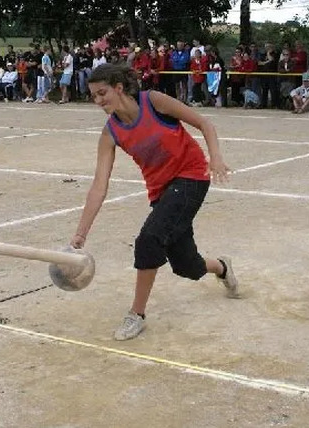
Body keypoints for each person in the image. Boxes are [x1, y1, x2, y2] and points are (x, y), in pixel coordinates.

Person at [70, 64, 239, 341]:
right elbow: (99, 186)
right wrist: (80, 234)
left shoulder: (153, 102)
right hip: (161, 191)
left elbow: (204, 123)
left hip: (192, 176)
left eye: (102, 93)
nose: (98, 101)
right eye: (94, 96)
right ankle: (222, 266)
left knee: (149, 239)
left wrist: (216, 157)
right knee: (187, 266)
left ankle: (136, 315)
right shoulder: (110, 133)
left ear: (119, 88)